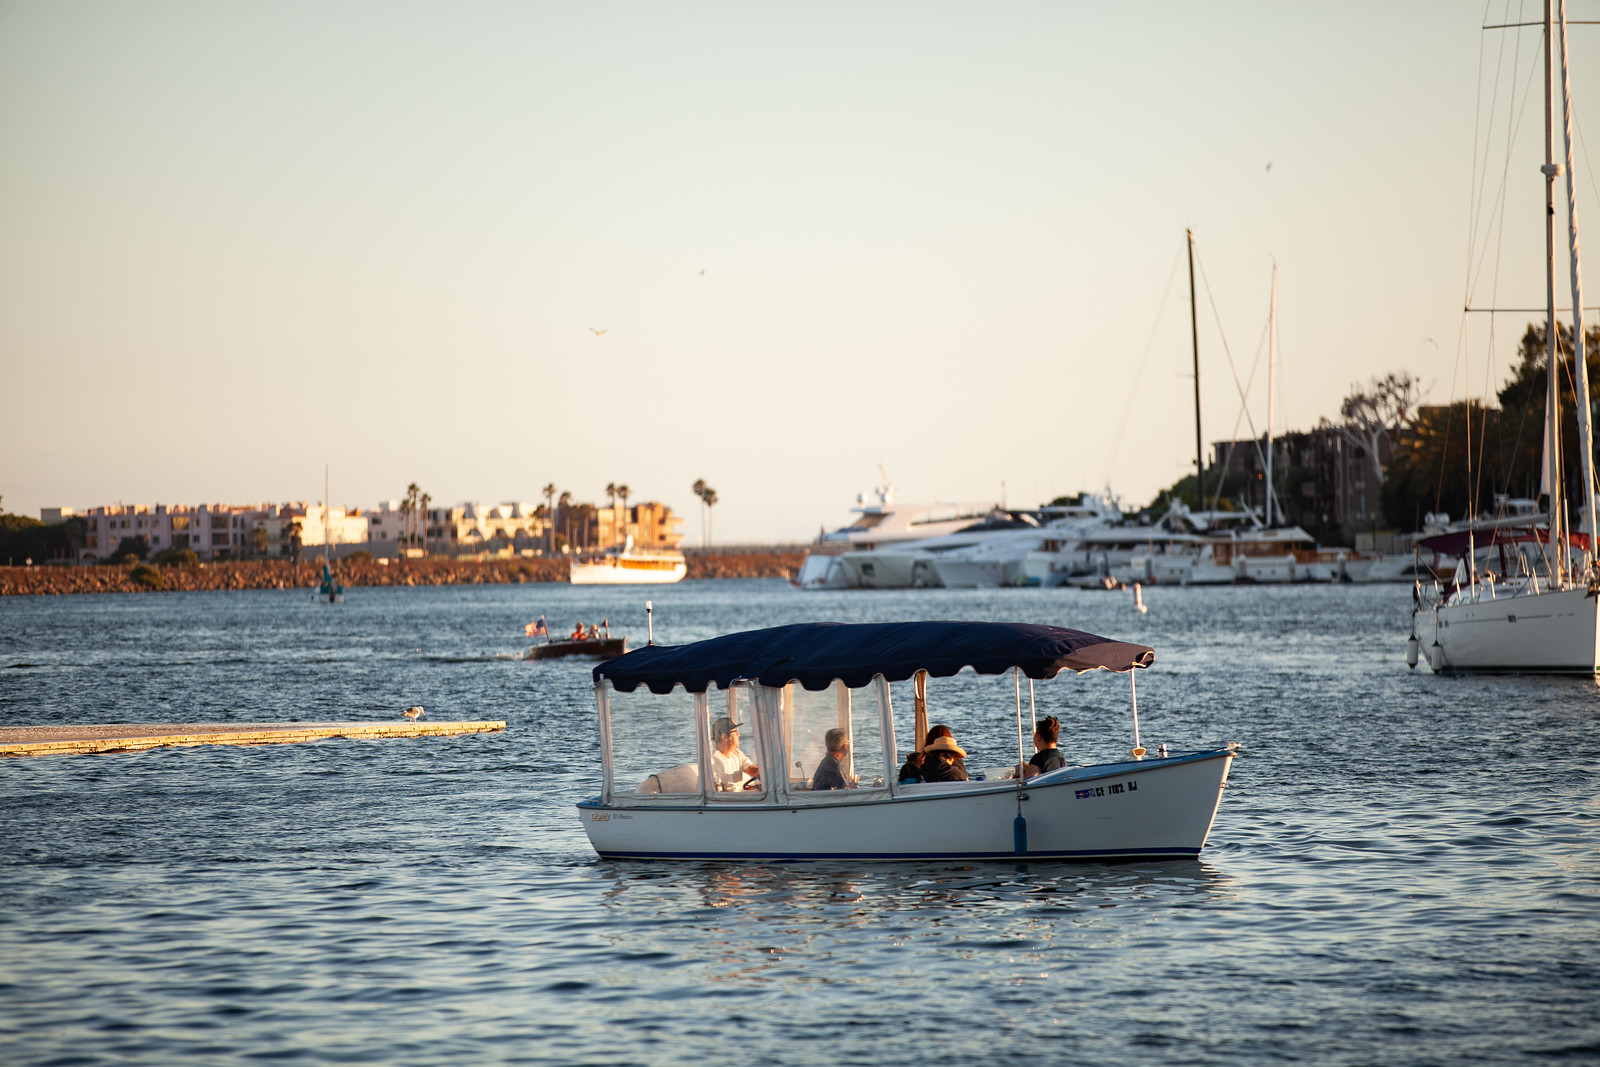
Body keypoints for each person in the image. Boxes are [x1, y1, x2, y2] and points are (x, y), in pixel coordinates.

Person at [709, 716, 759, 791]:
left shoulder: (737, 753)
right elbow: (718, 793)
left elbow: (753, 771)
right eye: (735, 732)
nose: (738, 735)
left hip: (742, 796)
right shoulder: (713, 761)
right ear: (724, 737)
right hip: (732, 800)